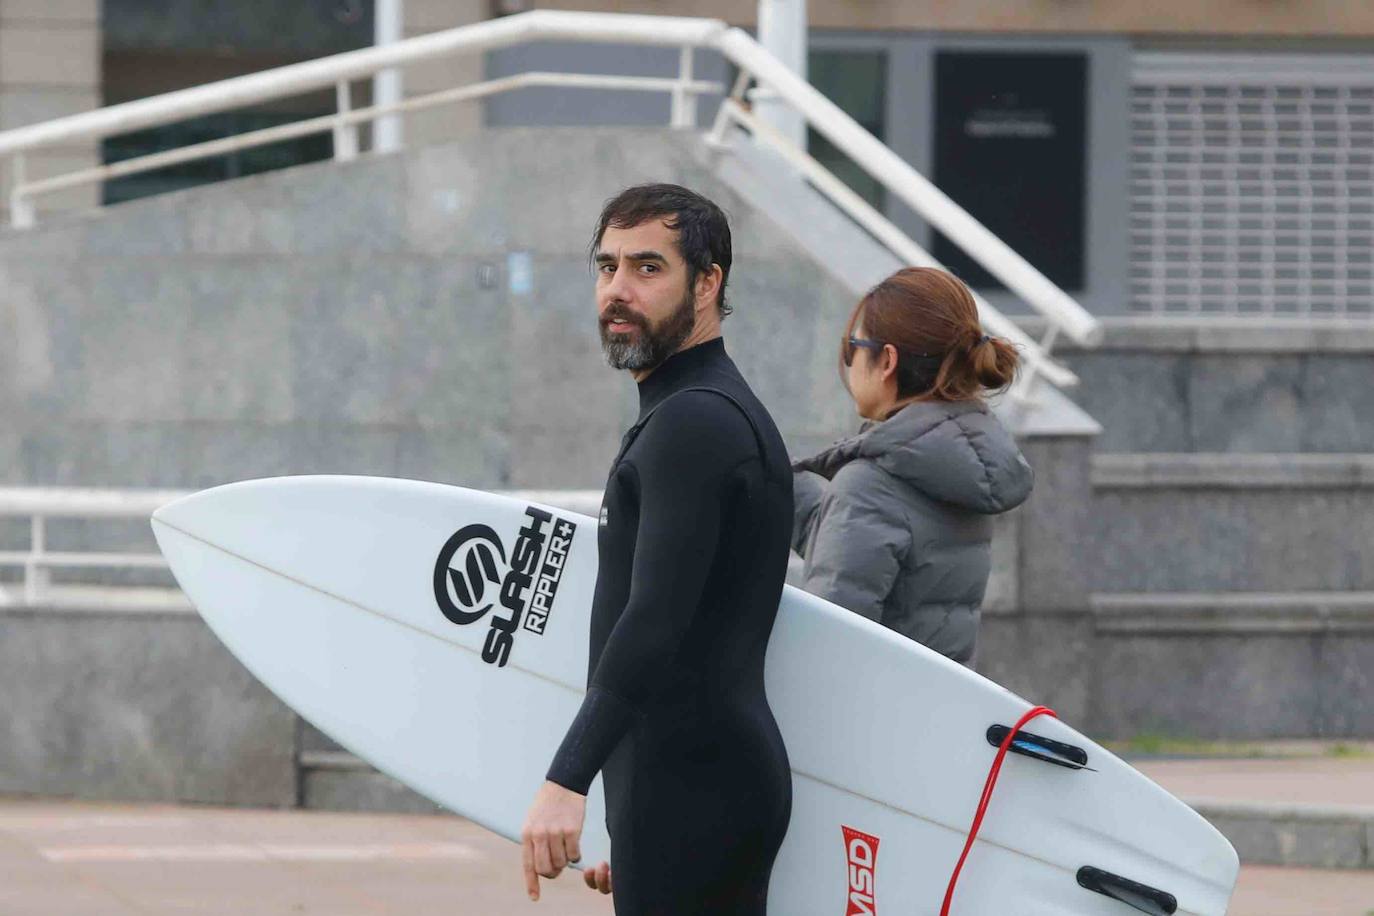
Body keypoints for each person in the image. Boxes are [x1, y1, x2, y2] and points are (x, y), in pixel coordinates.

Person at [519, 184, 793, 914]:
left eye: (647, 268)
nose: (617, 289)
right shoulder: (687, 413)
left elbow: (654, 621)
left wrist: (567, 778)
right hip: (678, 789)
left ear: (709, 283)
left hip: (697, 785)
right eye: (606, 267)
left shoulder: (698, 423)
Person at [791, 267, 1034, 666]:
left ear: (886, 360)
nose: (848, 363)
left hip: (869, 719)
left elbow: (830, 648)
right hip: (932, 710)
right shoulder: (956, 463)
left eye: (852, 347)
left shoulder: (869, 485)